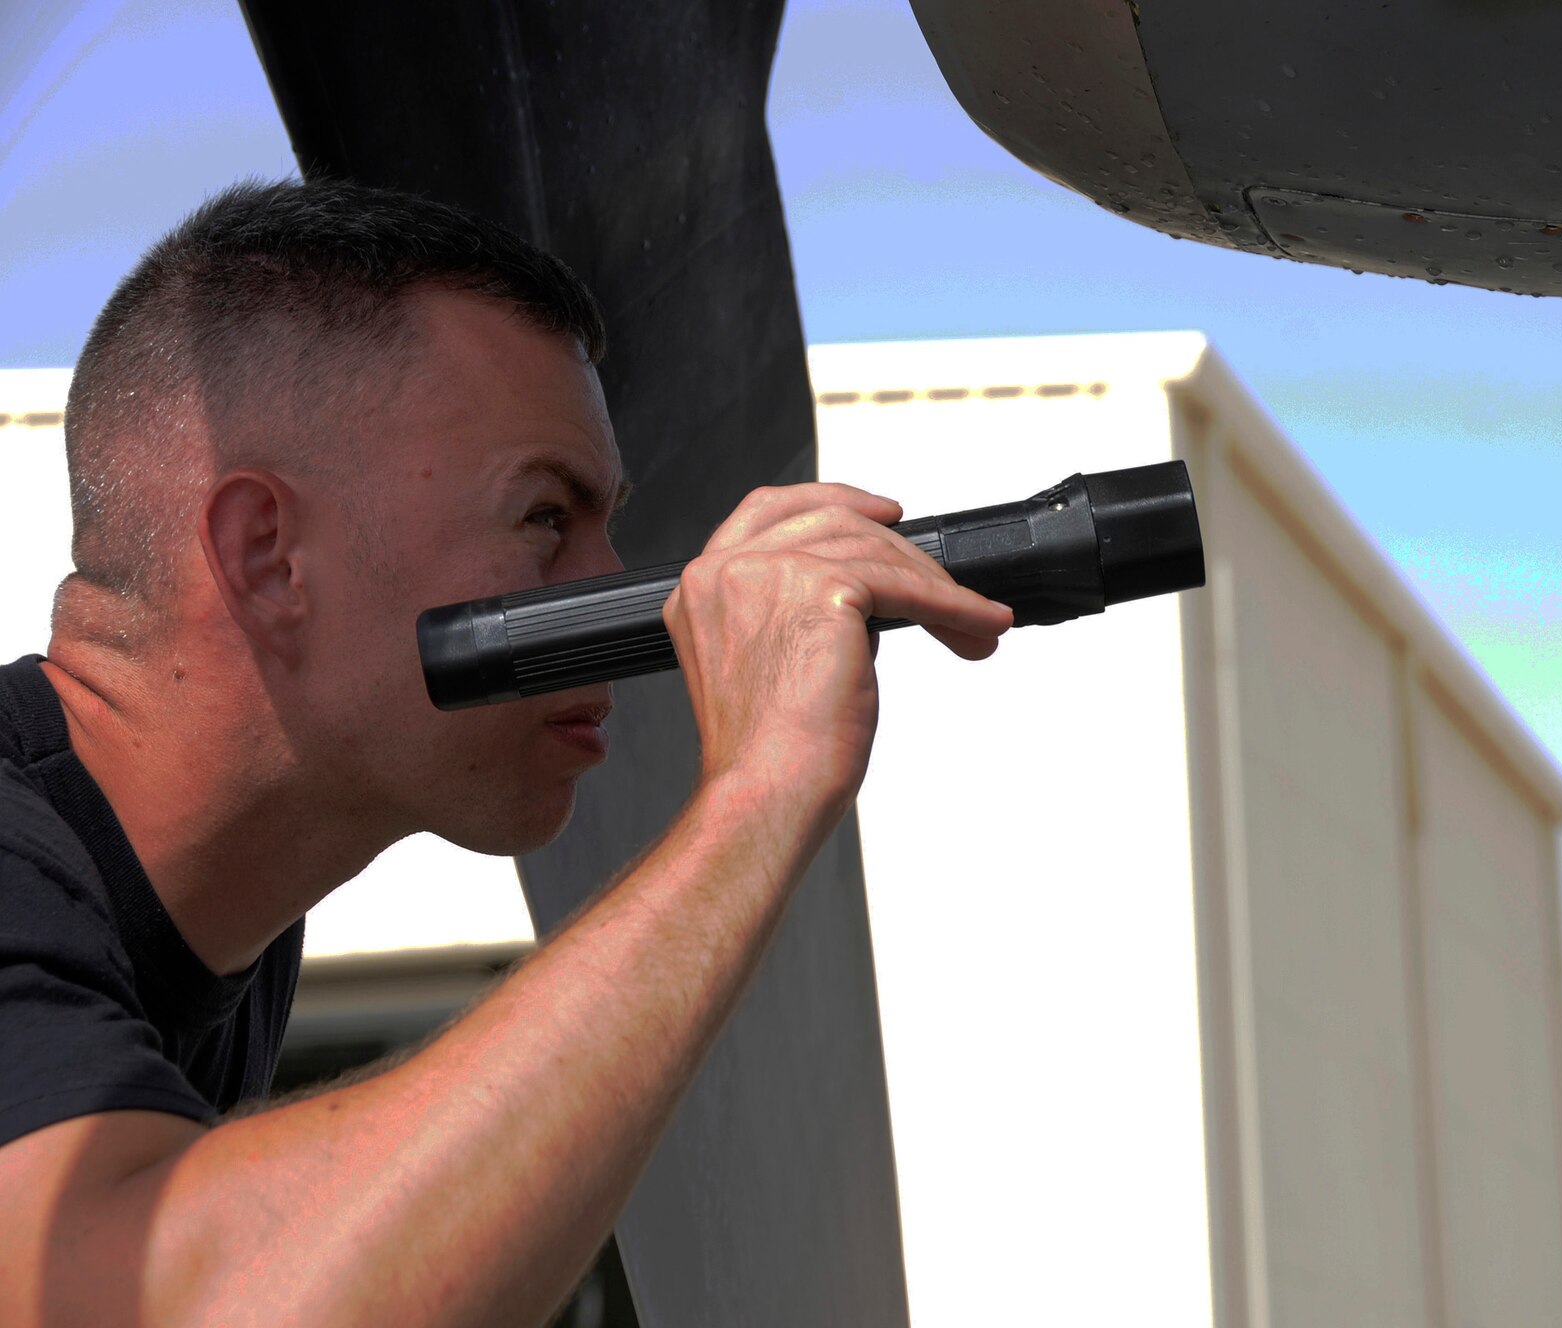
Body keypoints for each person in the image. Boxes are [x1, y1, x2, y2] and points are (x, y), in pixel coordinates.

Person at [0, 179, 1012, 1325]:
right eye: (544, 517)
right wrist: (756, 793)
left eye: (604, 524)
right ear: (269, 554)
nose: (627, 595)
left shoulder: (225, 922)